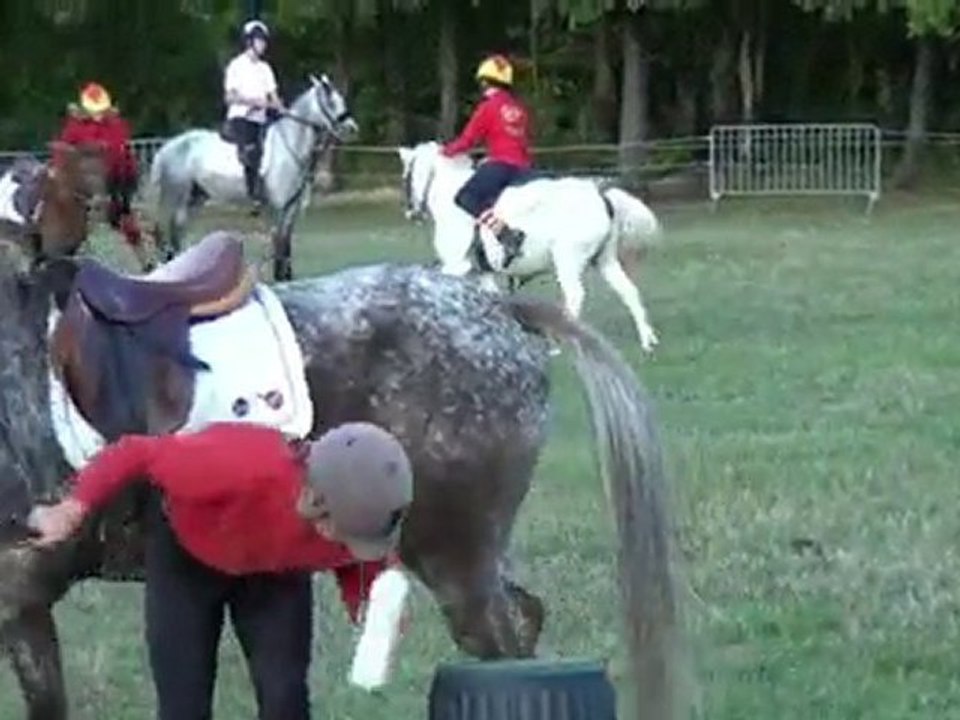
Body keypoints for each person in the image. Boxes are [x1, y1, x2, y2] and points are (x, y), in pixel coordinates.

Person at [29, 421, 413, 720]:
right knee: (184, 704)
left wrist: (369, 609)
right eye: (348, 536)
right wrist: (74, 507)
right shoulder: (235, 467)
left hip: (274, 573)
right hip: (188, 558)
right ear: (316, 501)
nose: (351, 545)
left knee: (285, 700)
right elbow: (137, 451)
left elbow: (359, 563)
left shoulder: (358, 521)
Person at [441, 54, 533, 268]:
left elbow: (468, 140)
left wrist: (445, 152)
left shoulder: (488, 107)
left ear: (484, 82)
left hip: (501, 166)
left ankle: (505, 234)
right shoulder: (519, 108)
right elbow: (521, 141)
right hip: (524, 168)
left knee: (466, 197)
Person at [53, 81, 143, 248]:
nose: (98, 114)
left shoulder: (115, 123)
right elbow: (64, 149)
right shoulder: (75, 126)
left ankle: (128, 231)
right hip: (84, 176)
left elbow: (121, 149)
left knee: (123, 210)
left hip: (117, 175)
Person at [223, 19, 284, 214]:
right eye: (260, 41)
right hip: (241, 118)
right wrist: (253, 102)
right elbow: (230, 97)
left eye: (264, 41)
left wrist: (281, 108)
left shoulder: (265, 69)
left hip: (262, 119)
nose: (263, 45)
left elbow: (273, 96)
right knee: (252, 151)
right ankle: (253, 196)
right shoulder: (236, 66)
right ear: (249, 42)